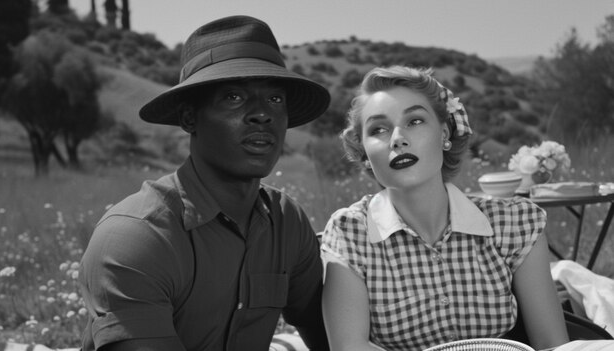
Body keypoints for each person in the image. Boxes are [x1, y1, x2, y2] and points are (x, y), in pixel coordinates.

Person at [79, 15, 331, 351]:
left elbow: (332, 334)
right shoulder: (137, 238)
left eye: (275, 99)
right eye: (233, 97)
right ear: (189, 118)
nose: (262, 114)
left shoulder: (286, 222)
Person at [320, 66, 569, 351]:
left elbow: (552, 344)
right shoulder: (349, 233)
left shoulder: (515, 223)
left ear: (444, 133)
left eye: (414, 121)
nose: (398, 138)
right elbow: (349, 348)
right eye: (379, 129)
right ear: (364, 153)